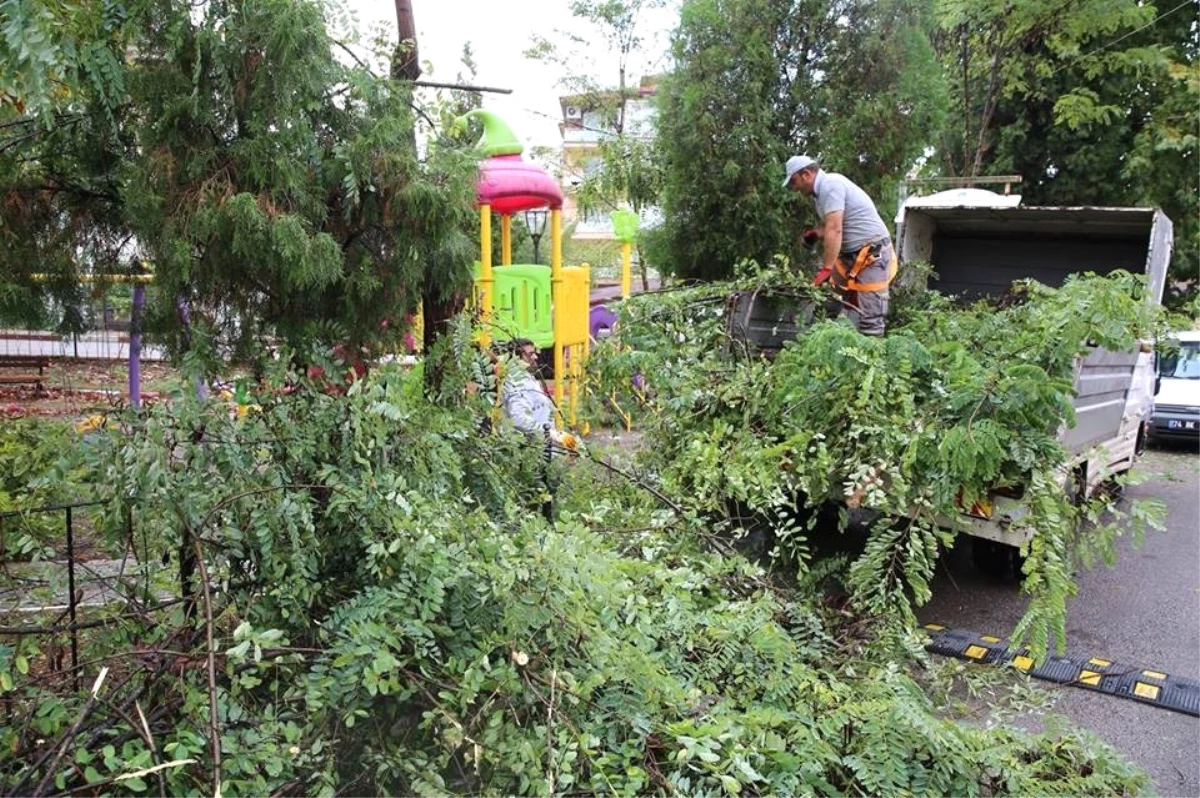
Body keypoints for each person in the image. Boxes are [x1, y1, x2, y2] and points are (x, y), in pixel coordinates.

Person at [783, 155, 897, 336]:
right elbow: (831, 224)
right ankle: (831, 343)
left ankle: (872, 359)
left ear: (806, 174)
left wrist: (827, 268)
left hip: (872, 254)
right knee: (832, 300)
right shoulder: (819, 195)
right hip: (850, 255)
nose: (793, 188)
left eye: (794, 182)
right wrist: (815, 234)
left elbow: (835, 229)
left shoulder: (831, 185)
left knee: (870, 314)